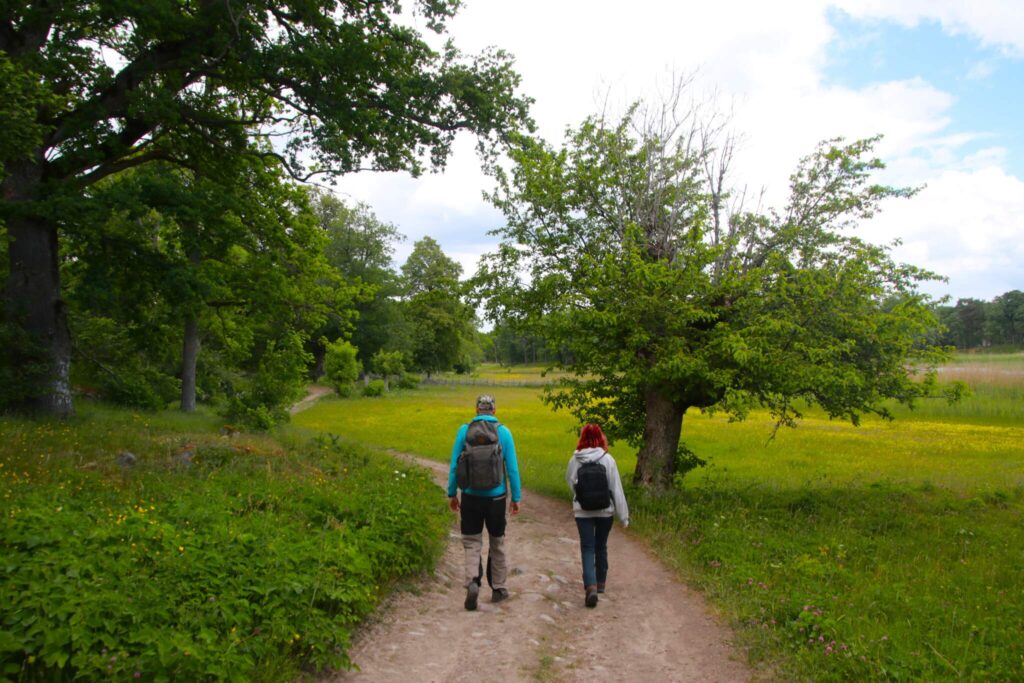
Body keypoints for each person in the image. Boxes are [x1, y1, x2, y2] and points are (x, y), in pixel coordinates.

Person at [447, 394, 522, 610]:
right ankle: (498, 588)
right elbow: (513, 469)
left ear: (476, 409)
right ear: (494, 411)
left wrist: (453, 493)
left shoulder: (464, 431)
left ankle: (472, 581)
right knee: (497, 542)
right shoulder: (504, 433)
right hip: (496, 498)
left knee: (472, 542)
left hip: (470, 496)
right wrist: (516, 497)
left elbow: (454, 466)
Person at [565, 423, 629, 608]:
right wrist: (623, 516)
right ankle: (601, 583)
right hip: (605, 511)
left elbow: (570, 482)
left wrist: (581, 496)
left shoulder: (575, 460)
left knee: (587, 547)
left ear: (582, 438)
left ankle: (590, 586)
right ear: (601, 438)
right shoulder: (608, 459)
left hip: (582, 511)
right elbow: (616, 488)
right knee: (601, 545)